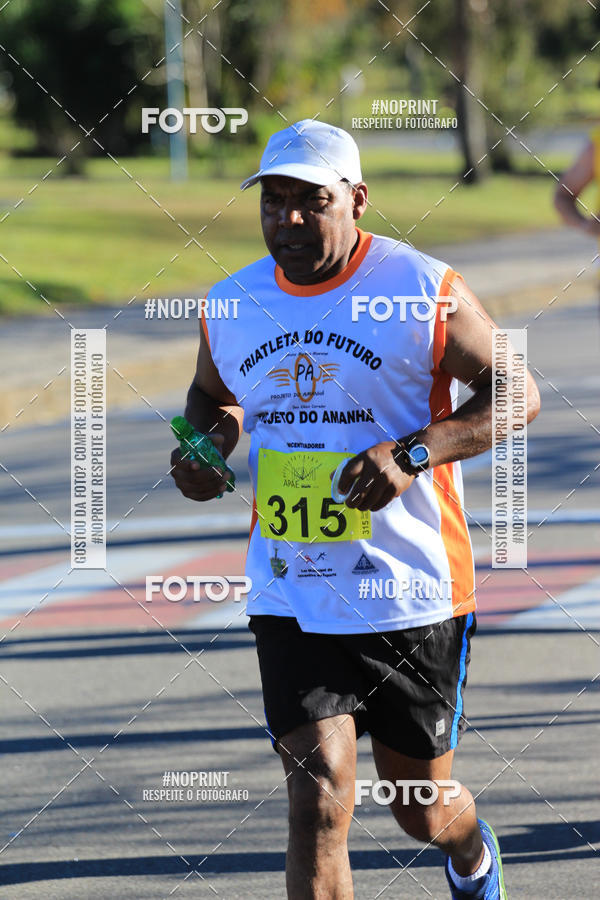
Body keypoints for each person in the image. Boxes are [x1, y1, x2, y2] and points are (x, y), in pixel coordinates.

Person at [170, 119, 540, 899]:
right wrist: (206, 452)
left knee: (420, 805)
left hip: (411, 588)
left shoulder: (419, 287)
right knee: (318, 796)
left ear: (357, 200)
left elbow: (518, 392)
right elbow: (216, 398)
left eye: (312, 202)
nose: (289, 221)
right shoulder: (233, 302)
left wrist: (413, 454)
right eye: (274, 202)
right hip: (291, 585)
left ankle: (471, 857)